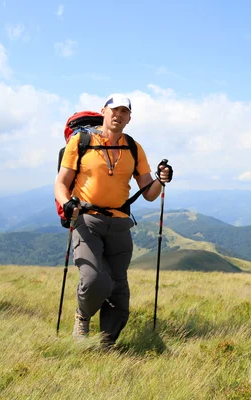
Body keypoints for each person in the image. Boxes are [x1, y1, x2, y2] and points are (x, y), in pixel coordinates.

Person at [54, 93, 173, 346]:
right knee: (94, 279)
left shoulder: (133, 147)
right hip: (87, 220)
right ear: (104, 112)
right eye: (114, 110)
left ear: (129, 118)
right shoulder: (81, 141)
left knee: (119, 288)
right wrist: (67, 203)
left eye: (124, 112)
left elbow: (148, 193)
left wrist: (160, 181)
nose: (118, 115)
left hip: (120, 224)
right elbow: (61, 183)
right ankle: (82, 316)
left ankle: (107, 344)